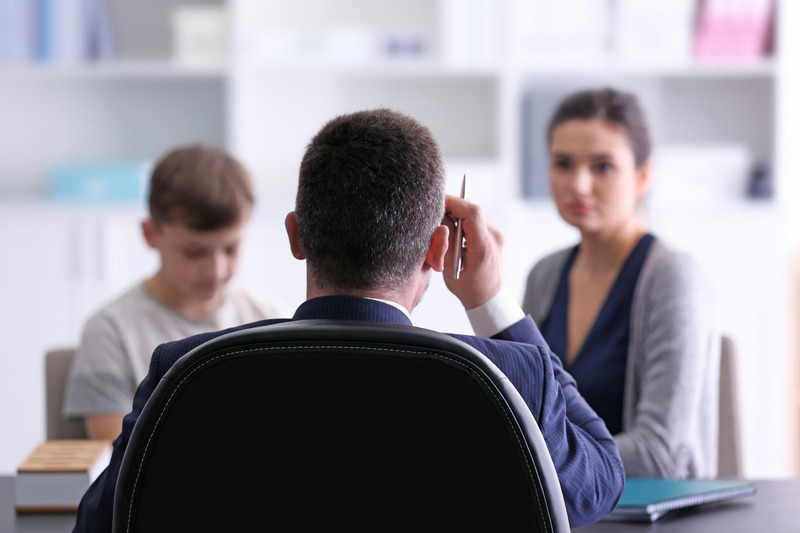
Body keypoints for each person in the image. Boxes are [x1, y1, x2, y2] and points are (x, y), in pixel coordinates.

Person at [72, 108, 624, 532]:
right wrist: (489, 300)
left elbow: (103, 523)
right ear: (436, 249)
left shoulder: (185, 371)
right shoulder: (513, 375)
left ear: (294, 235)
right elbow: (603, 474)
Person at [521, 88, 719, 478]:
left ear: (643, 174)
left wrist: (543, 462)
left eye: (603, 166)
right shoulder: (544, 275)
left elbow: (659, 455)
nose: (578, 184)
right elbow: (523, 412)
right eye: (563, 163)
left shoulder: (672, 277)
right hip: (564, 511)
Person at [63, 144, 285, 441]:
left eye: (231, 248)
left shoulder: (272, 319)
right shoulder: (110, 332)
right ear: (150, 234)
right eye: (194, 253)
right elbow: (120, 466)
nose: (216, 270)